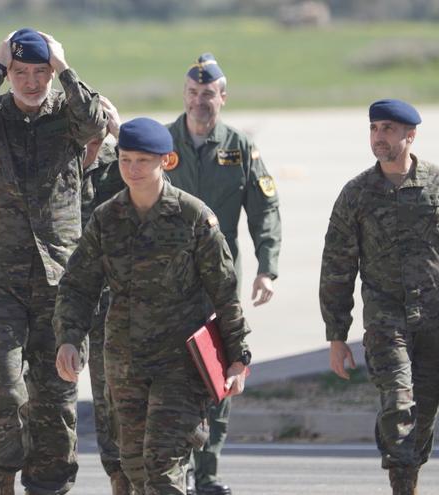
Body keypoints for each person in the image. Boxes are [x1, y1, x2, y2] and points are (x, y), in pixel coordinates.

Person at [54, 117, 252, 495]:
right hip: (124, 364)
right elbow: (79, 285)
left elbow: (224, 292)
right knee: (135, 469)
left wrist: (238, 357)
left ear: (166, 161)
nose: (132, 170)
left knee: (162, 468)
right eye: (126, 160)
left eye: (142, 161)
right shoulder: (107, 219)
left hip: (180, 365)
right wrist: (69, 338)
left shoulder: (194, 218)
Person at [0, 27, 106, 495]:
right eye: (22, 72)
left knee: (55, 398)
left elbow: (97, 123)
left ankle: (50, 486)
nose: (32, 81)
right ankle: (1, 482)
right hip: (2, 283)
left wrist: (64, 66)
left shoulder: (69, 118)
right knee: (3, 383)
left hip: (59, 280)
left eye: (41, 72)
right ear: (10, 73)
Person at [320, 99, 439, 495]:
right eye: (374, 128)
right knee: (398, 406)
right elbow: (337, 267)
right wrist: (336, 335)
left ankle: (409, 479)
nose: (379, 137)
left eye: (388, 129)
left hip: (436, 321)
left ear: (409, 136)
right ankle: (402, 488)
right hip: (385, 321)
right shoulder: (356, 194)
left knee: (423, 416)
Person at [166, 53, 281, 495]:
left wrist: (267, 269)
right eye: (193, 94)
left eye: (208, 94)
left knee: (220, 375)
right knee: (170, 375)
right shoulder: (162, 144)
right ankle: (170, 468)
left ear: (223, 98)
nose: (200, 101)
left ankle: (208, 475)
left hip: (218, 282)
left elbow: (265, 209)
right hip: (167, 282)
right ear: (184, 96)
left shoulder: (240, 149)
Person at [79, 97, 130, 494]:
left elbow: (169, 186)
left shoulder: (123, 164)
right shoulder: (54, 162)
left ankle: (121, 480)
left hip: (111, 304)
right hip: (60, 300)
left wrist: (120, 134)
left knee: (112, 398)